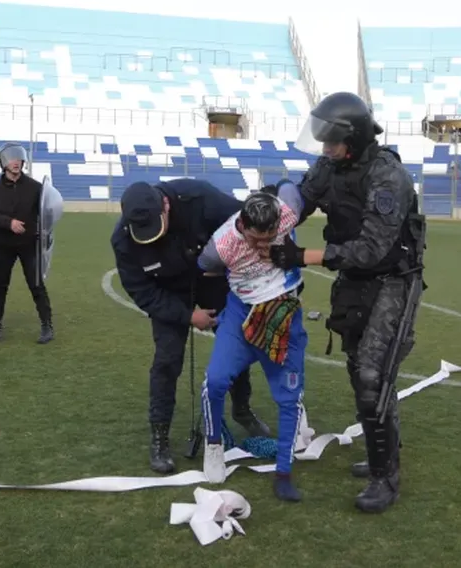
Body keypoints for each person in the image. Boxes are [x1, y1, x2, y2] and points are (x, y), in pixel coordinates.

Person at [269, 91, 427, 514]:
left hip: (393, 280)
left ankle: (385, 476)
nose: (325, 148)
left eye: (332, 140)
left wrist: (302, 256)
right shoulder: (330, 167)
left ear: (353, 139)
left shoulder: (387, 175)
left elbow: (372, 249)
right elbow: (302, 200)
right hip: (353, 281)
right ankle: (383, 451)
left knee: (374, 375)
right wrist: (269, 209)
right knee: (360, 372)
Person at [112, 179, 271, 474]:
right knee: (167, 361)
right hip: (167, 293)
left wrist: (232, 263)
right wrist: (187, 316)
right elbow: (143, 293)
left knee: (235, 346)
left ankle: (242, 409)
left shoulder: (200, 197)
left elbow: (244, 223)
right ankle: (159, 436)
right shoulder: (123, 241)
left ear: (166, 205)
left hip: (212, 280)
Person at [199, 185, 308, 502]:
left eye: (269, 238)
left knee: (289, 397)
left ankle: (284, 471)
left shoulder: (287, 211)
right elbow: (205, 267)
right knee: (215, 381)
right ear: (242, 225)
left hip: (283, 313)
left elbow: (289, 187)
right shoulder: (221, 246)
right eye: (255, 239)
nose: (263, 246)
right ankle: (214, 445)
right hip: (241, 314)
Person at [0, 143, 54, 344]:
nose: (16, 162)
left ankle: (47, 325)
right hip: (3, 245)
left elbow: (47, 211)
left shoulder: (35, 187)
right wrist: (8, 223)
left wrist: (44, 232)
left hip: (29, 244)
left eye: (19, 158)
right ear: (4, 162)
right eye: (12, 158)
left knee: (36, 284)